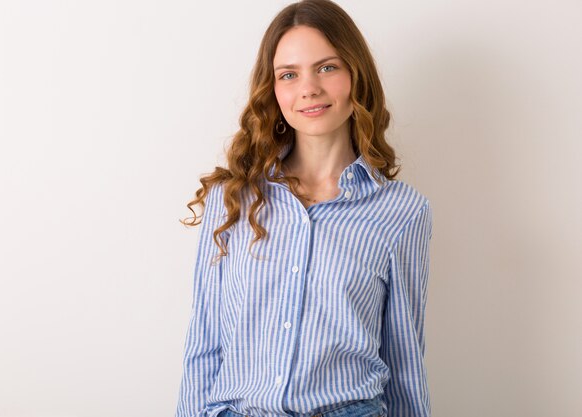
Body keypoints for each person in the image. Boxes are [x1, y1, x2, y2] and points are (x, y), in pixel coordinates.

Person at [175, 1, 433, 416]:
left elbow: (404, 357)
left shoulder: (402, 211)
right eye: (289, 75)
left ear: (356, 76)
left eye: (327, 68)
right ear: (273, 90)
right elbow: (205, 345)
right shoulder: (234, 198)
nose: (308, 88)